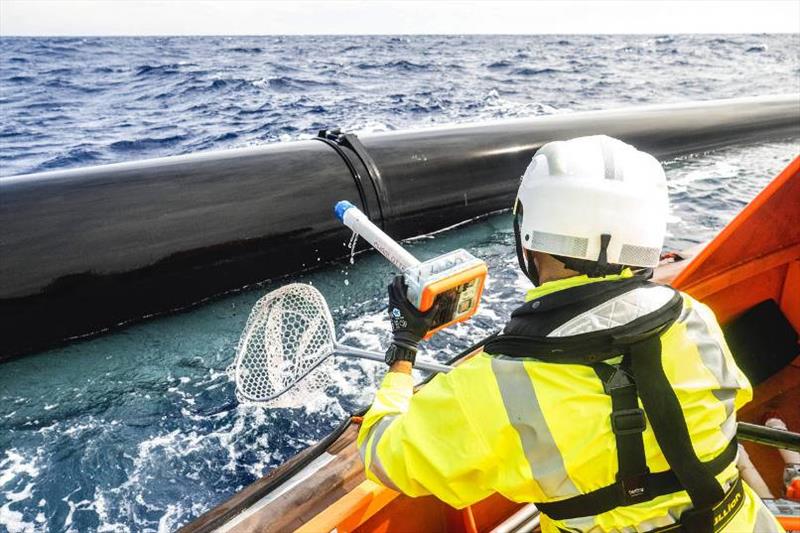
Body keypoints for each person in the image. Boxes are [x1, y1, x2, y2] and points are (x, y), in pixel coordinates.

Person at [357, 135, 784, 532]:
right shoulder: (693, 317)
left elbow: (384, 454)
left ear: (528, 235)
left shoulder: (493, 387)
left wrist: (404, 348)